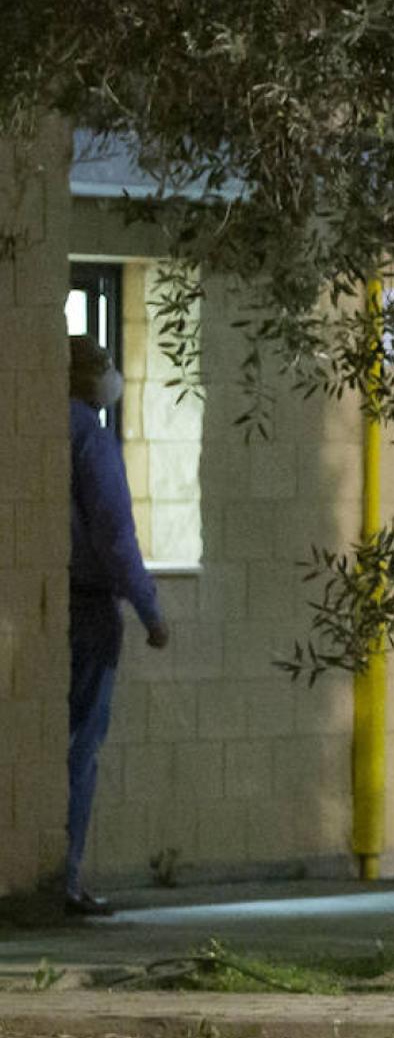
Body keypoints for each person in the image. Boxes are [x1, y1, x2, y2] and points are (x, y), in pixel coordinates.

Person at [66, 337, 170, 917]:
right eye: (104, 366)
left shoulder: (30, 424)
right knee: (80, 747)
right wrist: (151, 612)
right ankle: (66, 878)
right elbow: (114, 537)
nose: (113, 378)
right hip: (86, 607)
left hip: (42, 602)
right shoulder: (90, 438)